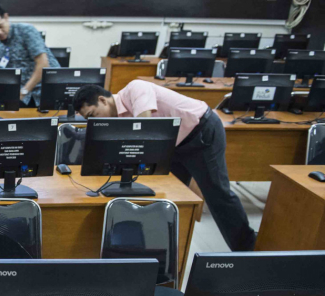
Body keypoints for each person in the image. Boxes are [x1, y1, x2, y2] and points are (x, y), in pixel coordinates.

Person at [72, 81, 256, 252]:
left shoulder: (135, 89)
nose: (93, 121)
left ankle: (249, 249)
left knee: (217, 194)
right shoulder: (114, 117)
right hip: (174, 144)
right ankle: (163, 251)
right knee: (169, 199)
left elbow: (145, 128)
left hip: (202, 131)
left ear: (103, 100)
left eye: (93, 115)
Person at [0, 2, 60, 107]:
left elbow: (43, 64)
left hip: (46, 91)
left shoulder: (26, 31)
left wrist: (24, 91)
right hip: (24, 98)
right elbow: (2, 79)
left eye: (0, 26)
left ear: (6, 17)